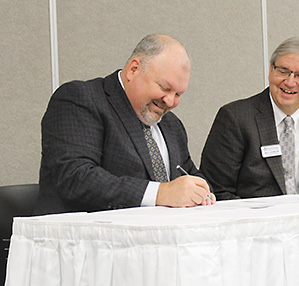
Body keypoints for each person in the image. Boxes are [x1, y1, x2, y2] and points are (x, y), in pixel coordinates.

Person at [37, 34, 215, 214]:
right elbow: (76, 177)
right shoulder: (80, 99)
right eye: (164, 88)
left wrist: (201, 192)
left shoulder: (172, 125)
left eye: (178, 95)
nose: (170, 101)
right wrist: (161, 193)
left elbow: (188, 172)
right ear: (134, 69)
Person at [200, 36, 299, 200]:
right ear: (271, 70)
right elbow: (217, 190)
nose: (289, 82)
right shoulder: (235, 118)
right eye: (283, 71)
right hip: (253, 222)